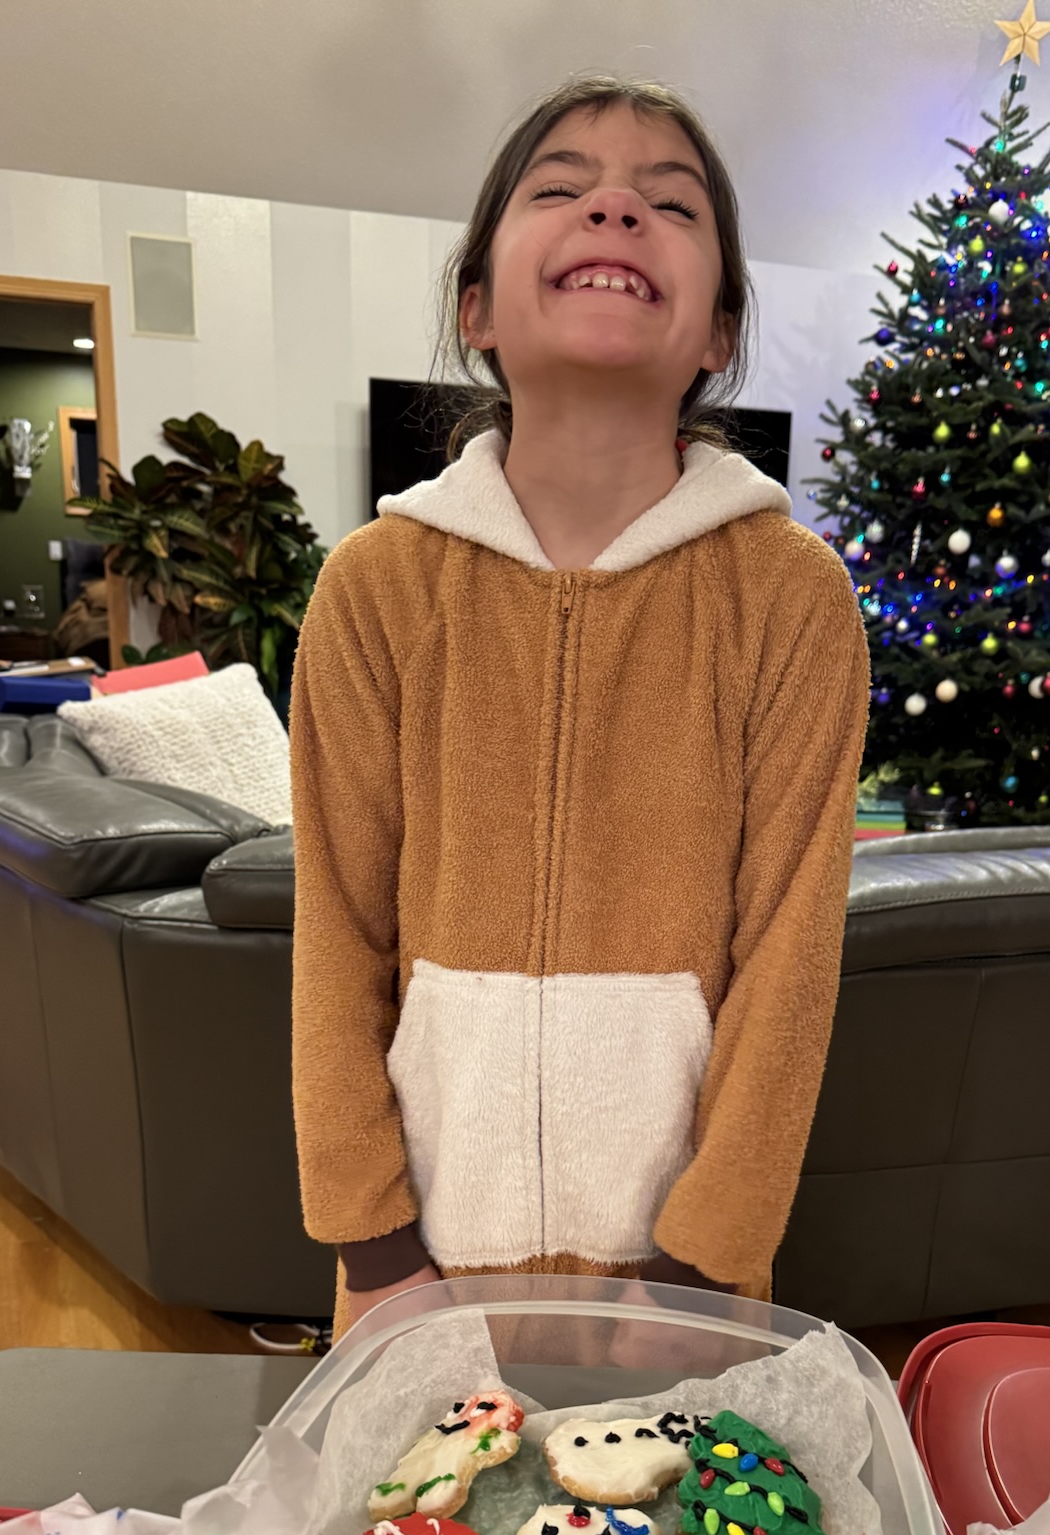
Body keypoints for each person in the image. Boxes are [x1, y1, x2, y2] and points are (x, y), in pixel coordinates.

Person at [290, 75, 870, 1337]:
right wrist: (372, 1242)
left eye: (672, 203)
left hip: (681, 1288)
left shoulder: (791, 595)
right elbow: (335, 928)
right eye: (561, 188)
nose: (614, 207)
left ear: (719, 330)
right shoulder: (375, 587)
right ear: (477, 307)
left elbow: (792, 956)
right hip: (416, 1273)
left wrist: (706, 1259)